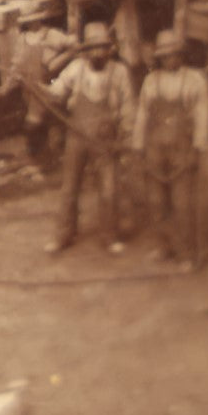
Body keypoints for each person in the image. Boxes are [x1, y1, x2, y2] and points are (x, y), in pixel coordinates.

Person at [45, 21, 136, 255]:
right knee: (70, 187)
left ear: (109, 49)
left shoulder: (119, 72)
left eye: (102, 48)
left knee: (109, 188)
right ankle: (64, 235)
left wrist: (125, 136)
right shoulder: (76, 68)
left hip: (106, 140)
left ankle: (110, 236)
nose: (97, 52)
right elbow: (56, 94)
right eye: (93, 48)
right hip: (76, 137)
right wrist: (39, 88)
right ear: (86, 51)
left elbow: (128, 108)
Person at [132, 30, 208, 268]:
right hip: (155, 147)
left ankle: (188, 254)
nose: (169, 60)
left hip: (181, 148)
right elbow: (142, 116)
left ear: (181, 55)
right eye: (165, 56)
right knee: (156, 201)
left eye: (174, 55)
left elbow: (202, 116)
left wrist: (198, 148)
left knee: (182, 202)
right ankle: (163, 246)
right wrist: (138, 148)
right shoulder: (151, 81)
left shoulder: (195, 80)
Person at [2, 13, 77, 167]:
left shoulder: (51, 34)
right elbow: (16, 64)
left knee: (38, 120)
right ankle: (42, 159)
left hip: (46, 84)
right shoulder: (22, 38)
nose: (31, 23)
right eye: (27, 21)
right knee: (34, 120)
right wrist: (8, 83)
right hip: (28, 87)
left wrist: (56, 62)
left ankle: (47, 159)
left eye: (33, 20)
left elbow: (74, 46)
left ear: (39, 19)